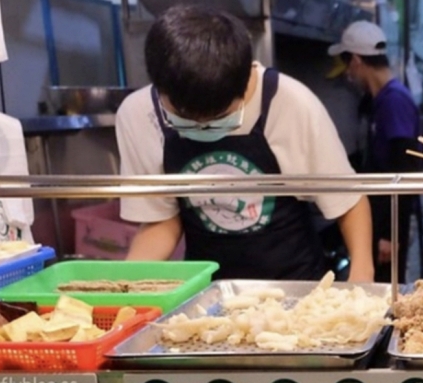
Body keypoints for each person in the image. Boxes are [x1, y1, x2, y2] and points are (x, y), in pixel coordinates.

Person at [116, 5, 374, 282]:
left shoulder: (290, 103)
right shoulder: (140, 114)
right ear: (160, 88)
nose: (203, 128)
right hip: (208, 290)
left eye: (218, 118)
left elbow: (348, 202)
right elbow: (162, 219)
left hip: (296, 285)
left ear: (244, 80)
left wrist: (361, 280)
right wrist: (128, 286)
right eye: (186, 119)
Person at [330, 21, 421, 284]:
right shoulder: (381, 99)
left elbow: (404, 170)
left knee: (386, 295)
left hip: (388, 220)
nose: (348, 74)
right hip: (381, 216)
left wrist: (390, 235)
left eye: (348, 65)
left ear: (357, 61)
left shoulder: (394, 101)